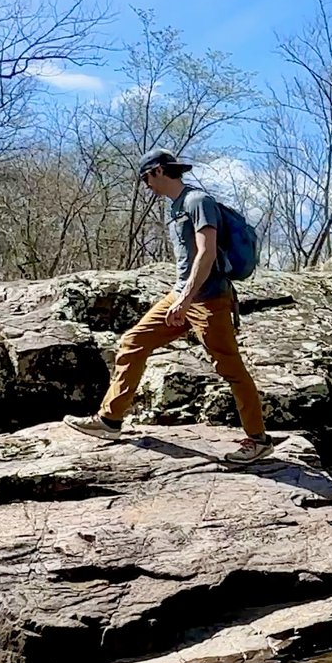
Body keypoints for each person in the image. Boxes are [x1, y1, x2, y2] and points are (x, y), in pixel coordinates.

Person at [67, 150, 272, 461]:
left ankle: (257, 440)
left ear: (160, 171)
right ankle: (110, 420)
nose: (146, 184)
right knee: (134, 342)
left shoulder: (197, 201)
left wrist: (187, 298)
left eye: (146, 177)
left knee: (230, 368)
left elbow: (206, 254)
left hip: (210, 300)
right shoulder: (173, 208)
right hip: (181, 296)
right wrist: (180, 297)